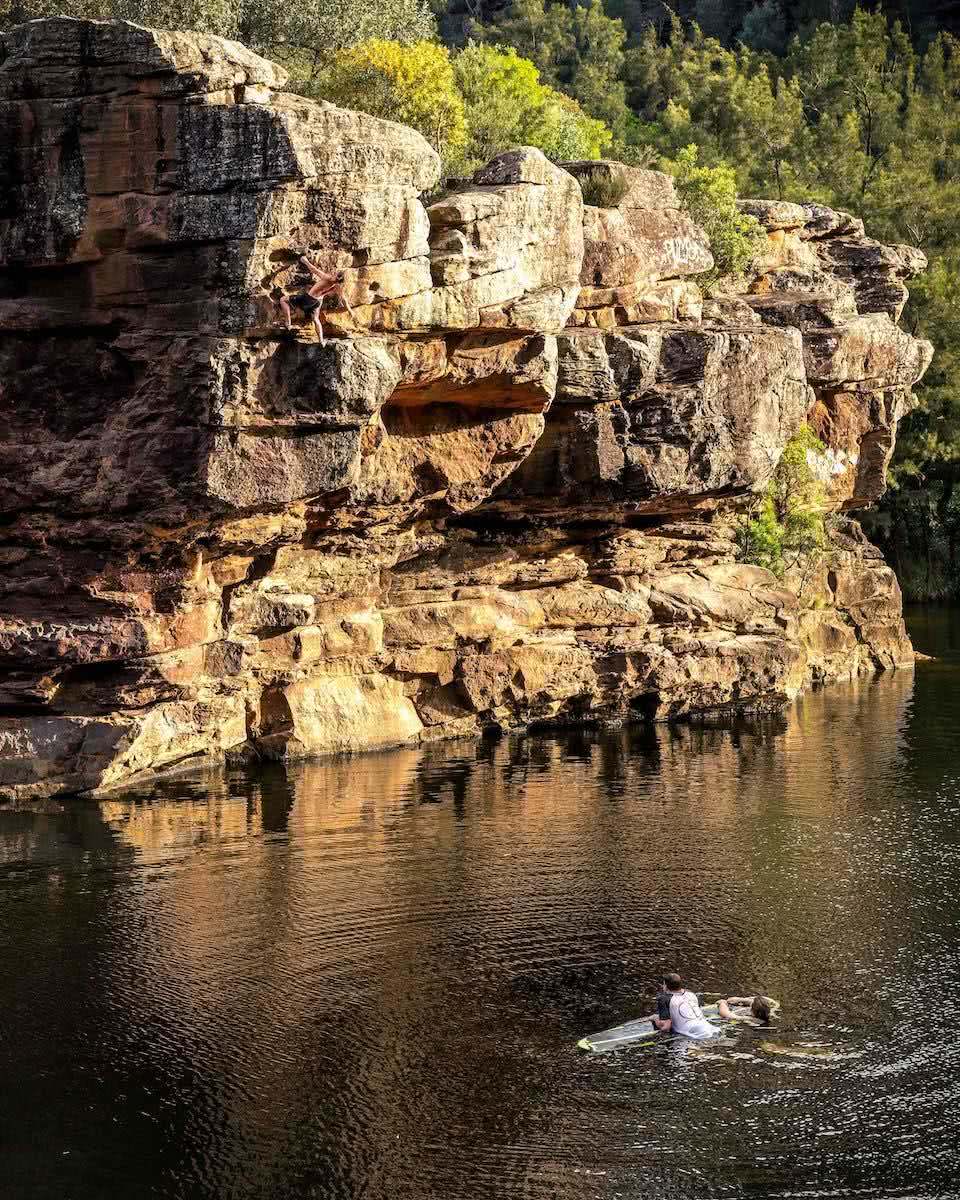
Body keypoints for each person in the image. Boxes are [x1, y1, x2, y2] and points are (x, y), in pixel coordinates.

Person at [278, 255, 354, 346]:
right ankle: (321, 341)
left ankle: (288, 323)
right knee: (315, 319)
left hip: (309, 299)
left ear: (336, 275)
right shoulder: (338, 287)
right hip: (317, 302)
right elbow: (344, 299)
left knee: (283, 300)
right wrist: (350, 310)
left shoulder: (327, 278)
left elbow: (314, 270)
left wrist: (305, 261)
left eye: (336, 274)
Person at [652, 971, 718, 1040]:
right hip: (710, 1028)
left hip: (694, 1034)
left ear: (666, 986)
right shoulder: (691, 994)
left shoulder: (664, 999)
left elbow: (666, 1027)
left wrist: (655, 1019)